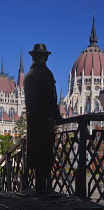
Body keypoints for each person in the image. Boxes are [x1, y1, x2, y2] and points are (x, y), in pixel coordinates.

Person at [24, 43, 61, 194]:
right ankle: (43, 188)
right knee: (45, 153)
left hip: (32, 121)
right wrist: (57, 117)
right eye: (44, 56)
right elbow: (51, 98)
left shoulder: (28, 76)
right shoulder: (46, 74)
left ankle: (40, 187)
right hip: (44, 120)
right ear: (44, 57)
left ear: (33, 57)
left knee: (36, 152)